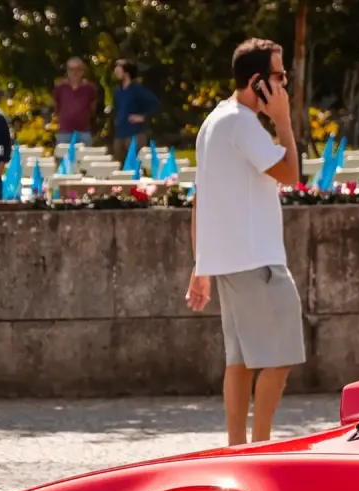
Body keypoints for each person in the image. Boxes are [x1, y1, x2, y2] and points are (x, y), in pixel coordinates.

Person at [185, 38, 303, 447]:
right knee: (280, 356)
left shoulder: (214, 121)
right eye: (279, 76)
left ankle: (237, 446)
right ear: (258, 82)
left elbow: (200, 198)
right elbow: (290, 174)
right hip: (257, 261)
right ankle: (261, 445)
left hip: (230, 263)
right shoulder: (244, 124)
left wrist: (201, 263)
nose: (284, 84)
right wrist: (283, 122)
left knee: (239, 361)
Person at [110, 60, 160, 164]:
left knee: (135, 164)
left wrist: (143, 117)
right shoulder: (118, 91)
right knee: (120, 164)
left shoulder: (137, 89)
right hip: (120, 133)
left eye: (119, 68)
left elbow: (155, 104)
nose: (116, 71)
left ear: (127, 72)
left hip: (134, 134)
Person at [53, 57, 98, 146]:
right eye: (71, 69)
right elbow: (56, 107)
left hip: (84, 131)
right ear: (67, 71)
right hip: (64, 131)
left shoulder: (90, 88)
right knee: (63, 154)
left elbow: (92, 108)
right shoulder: (60, 87)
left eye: (78, 69)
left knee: (86, 154)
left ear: (82, 71)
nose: (74, 72)